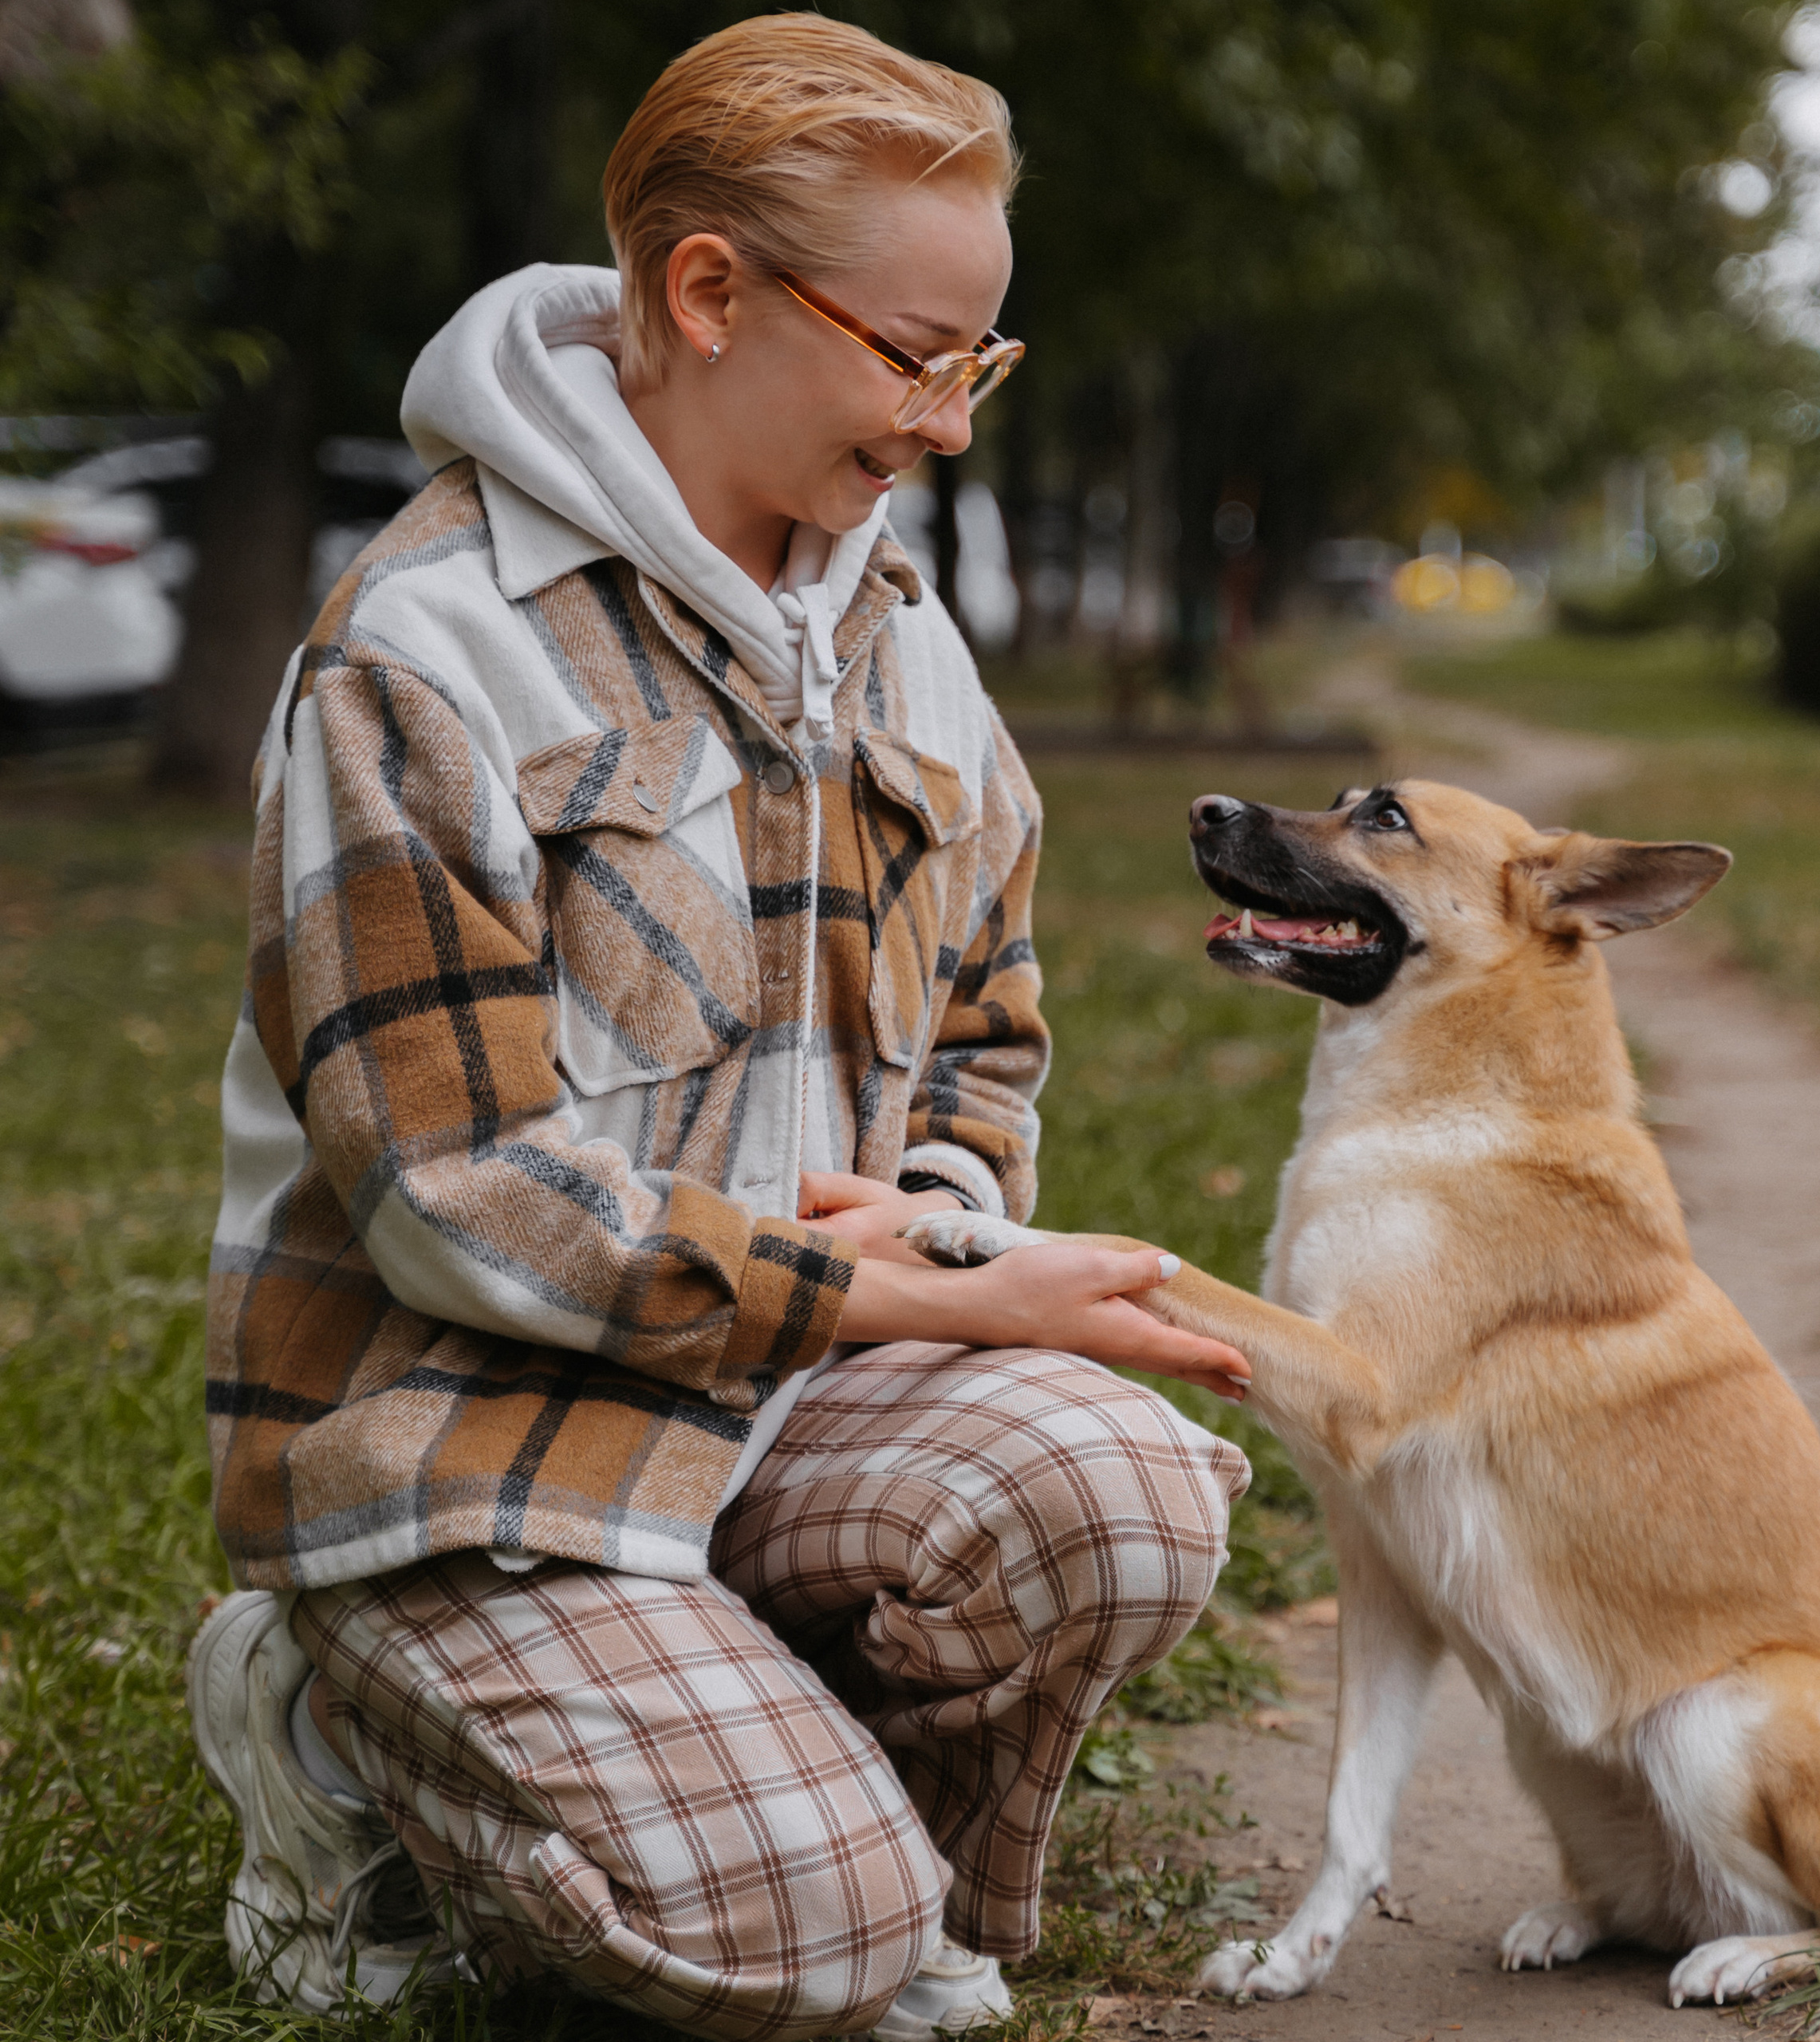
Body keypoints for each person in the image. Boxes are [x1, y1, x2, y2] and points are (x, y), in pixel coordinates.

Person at [184, 15, 1251, 2037]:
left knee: (1128, 1488)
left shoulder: (897, 632)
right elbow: (451, 1188)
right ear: (704, 290)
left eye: (978, 363)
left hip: (778, 1400)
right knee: (796, 1945)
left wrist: (941, 1212)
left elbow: (985, 1021)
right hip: (475, 1439)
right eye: (912, 357)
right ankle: (328, 1728)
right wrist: (909, 1302)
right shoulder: (427, 647)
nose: (948, 425)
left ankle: (816, 1794)